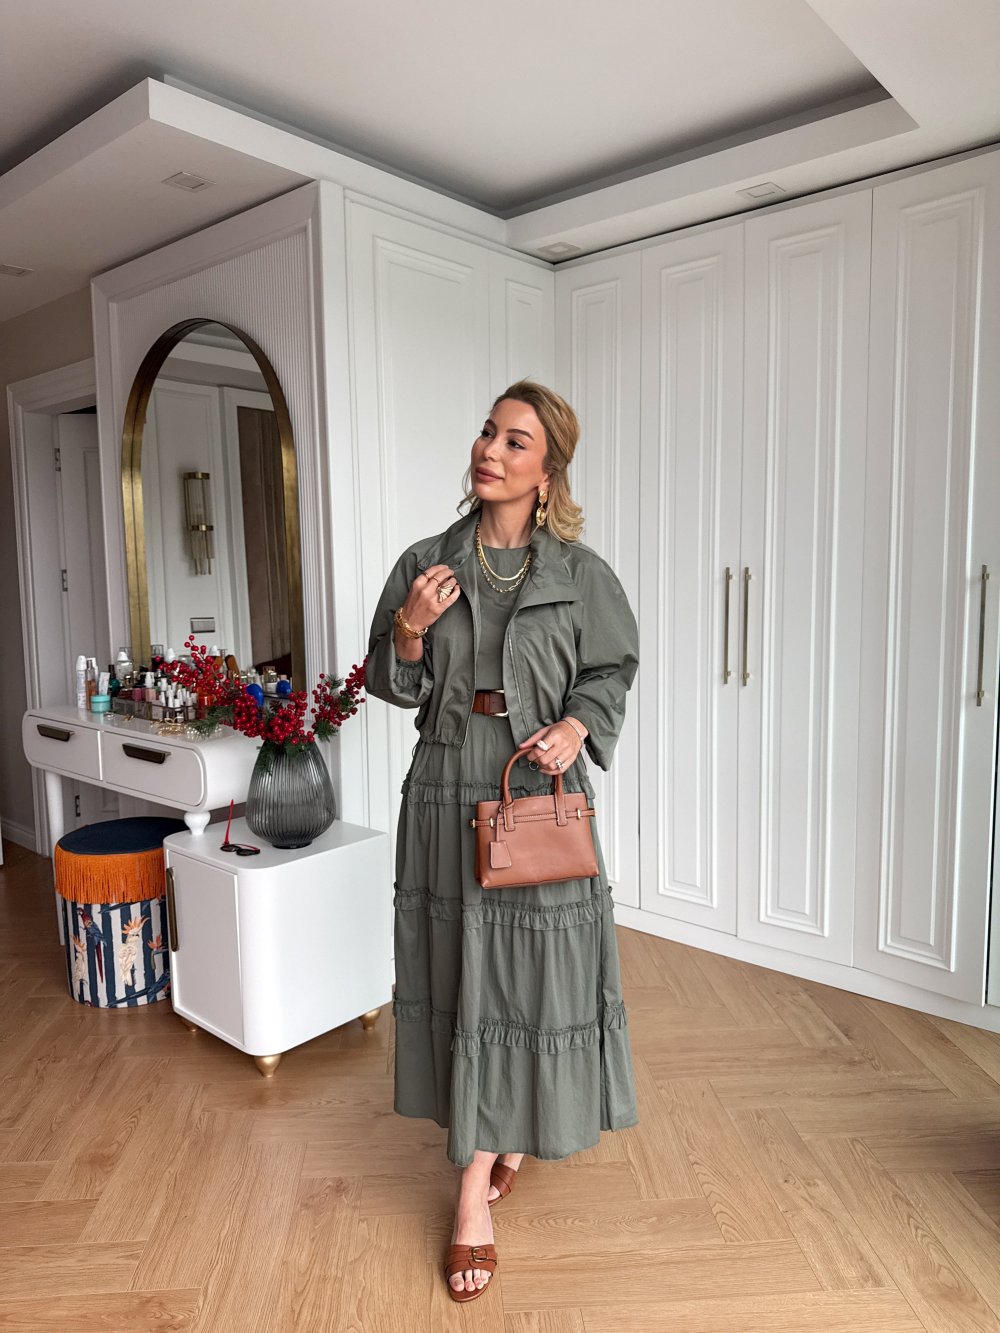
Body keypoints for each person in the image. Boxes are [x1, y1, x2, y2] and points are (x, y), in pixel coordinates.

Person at [365, 381, 639, 1303]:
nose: (491, 449)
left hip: (536, 786)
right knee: (462, 973)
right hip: (448, 781)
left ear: (547, 470)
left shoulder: (580, 574)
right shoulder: (425, 564)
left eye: (516, 440)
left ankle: (486, 1158)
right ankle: (478, 1177)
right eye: (488, 431)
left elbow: (611, 668)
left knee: (532, 976)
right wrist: (409, 629)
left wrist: (578, 724)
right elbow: (390, 683)